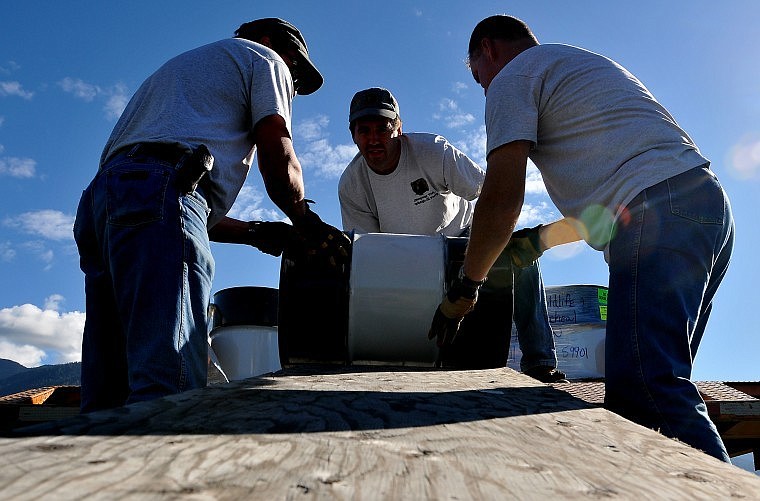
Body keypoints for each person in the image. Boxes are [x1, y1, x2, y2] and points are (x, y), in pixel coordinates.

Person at [431, 14, 734, 462]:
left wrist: (466, 286)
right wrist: (540, 240)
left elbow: (501, 195)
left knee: (648, 391)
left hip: (659, 216)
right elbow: (623, 198)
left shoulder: (513, 76)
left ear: (489, 50)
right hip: (706, 210)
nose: (484, 87)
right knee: (651, 398)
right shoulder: (577, 64)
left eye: (478, 77)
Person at [73, 18, 349, 412]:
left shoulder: (182, 73)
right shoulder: (264, 58)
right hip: (158, 193)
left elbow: (162, 203)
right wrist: (304, 219)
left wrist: (255, 232)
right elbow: (275, 143)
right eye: (296, 69)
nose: (295, 84)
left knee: (108, 394)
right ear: (270, 42)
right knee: (168, 388)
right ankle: (161, 469)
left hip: (101, 207)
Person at [339, 87, 565, 381]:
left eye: (383, 128)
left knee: (522, 259)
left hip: (463, 239)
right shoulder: (351, 185)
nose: (374, 139)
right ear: (353, 135)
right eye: (364, 131)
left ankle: (539, 361)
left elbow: (491, 192)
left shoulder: (434, 151)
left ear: (399, 128)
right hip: (407, 256)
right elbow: (370, 255)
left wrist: (496, 242)